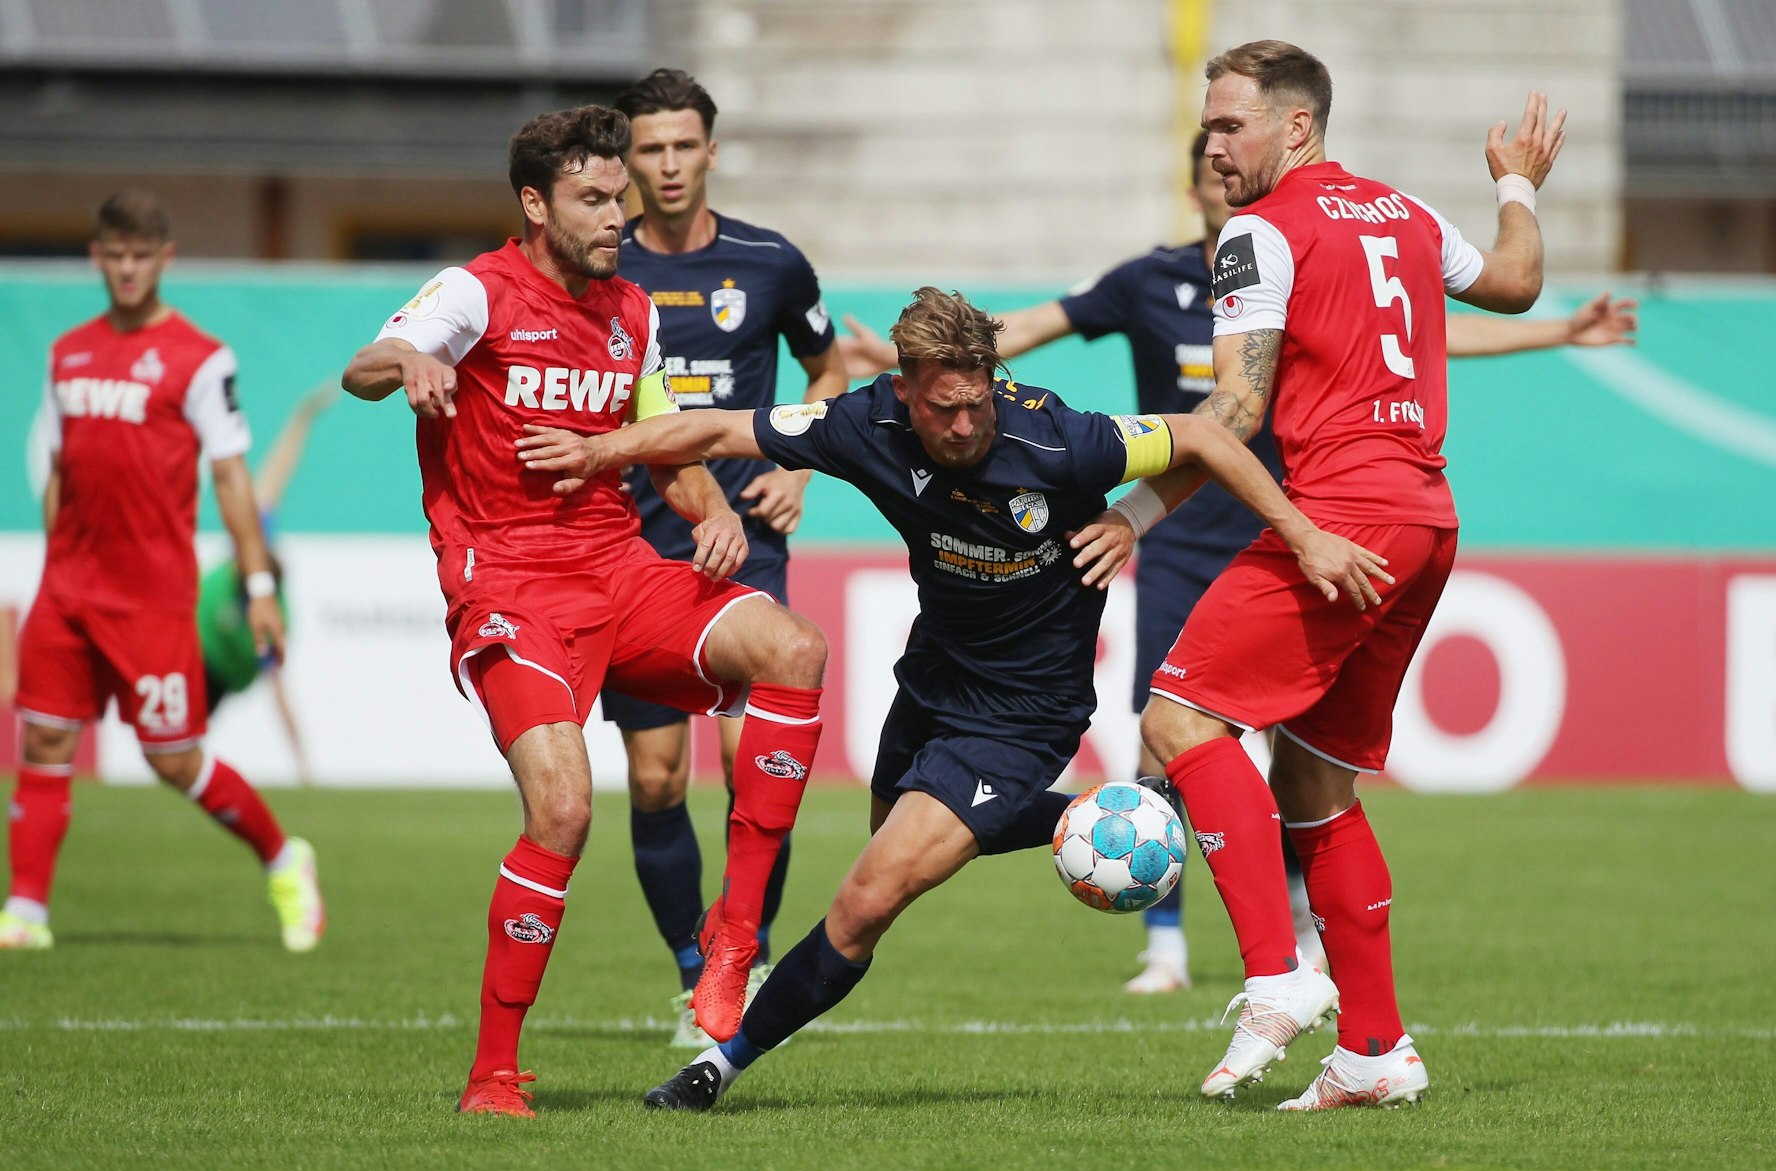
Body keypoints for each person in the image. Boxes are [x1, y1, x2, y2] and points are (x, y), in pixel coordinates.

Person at [516, 286, 1393, 1113]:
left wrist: (1160, 521)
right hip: (932, 679)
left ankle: (717, 1063)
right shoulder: (862, 421)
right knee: (888, 836)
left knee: (865, 899)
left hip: (1024, 713)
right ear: (904, 390)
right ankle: (1104, 815)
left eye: (978, 400)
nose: (966, 423)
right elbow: (713, 425)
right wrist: (600, 451)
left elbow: (1206, 439)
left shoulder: (1062, 439)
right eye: (944, 408)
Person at [840, 136, 1635, 996]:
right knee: (1165, 726)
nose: (1223, 180)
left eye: (1232, 154)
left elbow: (1426, 340)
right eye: (1209, 165)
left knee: (1285, 746)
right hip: (1173, 536)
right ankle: (1169, 945)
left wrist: (1559, 330)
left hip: (1273, 521)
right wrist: (909, 367)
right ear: (1196, 188)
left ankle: (1296, 930)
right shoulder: (1149, 280)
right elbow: (1023, 331)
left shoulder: (1287, 264)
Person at [1089, 41, 1566, 1107]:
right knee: (1312, 785)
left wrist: (1135, 506)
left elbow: (1234, 418)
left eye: (1229, 125)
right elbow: (1520, 282)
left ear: (1294, 127)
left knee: (1176, 722)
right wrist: (1515, 185)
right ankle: (1377, 1051)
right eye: (1207, 127)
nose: (1212, 146)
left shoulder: (1258, 232)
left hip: (1346, 519)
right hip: (1426, 523)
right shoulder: (1402, 213)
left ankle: (1274, 977)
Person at [338, 106, 830, 1117]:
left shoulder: (628, 311)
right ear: (534, 203)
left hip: (618, 565)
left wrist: (706, 512)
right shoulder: (476, 291)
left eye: (621, 198)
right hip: (508, 584)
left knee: (793, 646)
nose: (620, 214)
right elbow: (363, 368)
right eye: (595, 199)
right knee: (563, 809)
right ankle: (493, 1075)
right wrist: (414, 364)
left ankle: (731, 938)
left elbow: (652, 433)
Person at [2, 191, 324, 954]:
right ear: (97, 256)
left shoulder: (201, 359)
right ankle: (26, 911)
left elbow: (233, 480)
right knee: (43, 741)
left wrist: (255, 588)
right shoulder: (67, 353)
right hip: (68, 590)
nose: (126, 269)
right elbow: (48, 458)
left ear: (164, 260)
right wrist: (63, 544)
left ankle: (285, 859)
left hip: (150, 597)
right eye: (114, 255)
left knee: (172, 757)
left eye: (140, 256)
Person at [605, 69, 850, 1045]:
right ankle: (688, 972)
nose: (666, 165)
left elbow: (825, 367)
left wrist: (802, 471)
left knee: (758, 772)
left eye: (681, 146)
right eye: (648, 149)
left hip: (745, 542)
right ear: (629, 159)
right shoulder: (601, 263)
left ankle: (732, 962)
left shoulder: (770, 263)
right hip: (631, 549)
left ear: (710, 150)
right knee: (657, 780)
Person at [197, 382, 340, 782]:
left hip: (221, 671)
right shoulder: (255, 539)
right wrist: (303, 415)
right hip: (192, 640)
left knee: (180, 744)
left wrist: (302, 765)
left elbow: (279, 690)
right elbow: (276, 473)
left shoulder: (268, 615)